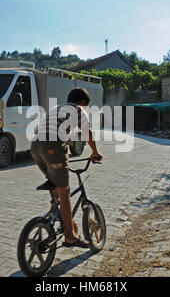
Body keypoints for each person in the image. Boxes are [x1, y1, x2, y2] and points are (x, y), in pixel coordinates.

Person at [30, 87, 102, 248]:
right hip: (52, 147)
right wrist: (95, 152)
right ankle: (70, 236)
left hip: (35, 148)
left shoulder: (55, 108)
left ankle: (57, 215)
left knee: (56, 187)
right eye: (85, 106)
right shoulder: (77, 110)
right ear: (82, 102)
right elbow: (87, 133)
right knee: (65, 192)